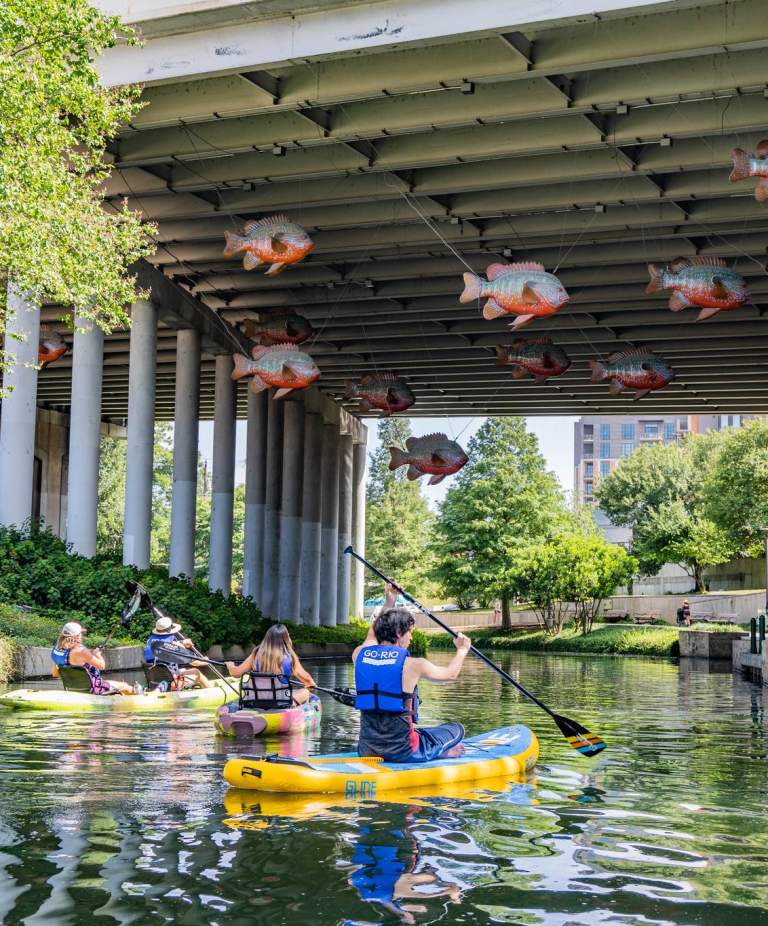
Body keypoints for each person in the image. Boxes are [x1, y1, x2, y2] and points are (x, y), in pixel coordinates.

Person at [352, 582, 471, 763]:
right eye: (410, 632)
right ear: (399, 633)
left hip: (366, 749)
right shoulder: (414, 665)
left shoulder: (359, 654)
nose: (411, 637)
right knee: (456, 729)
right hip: (404, 752)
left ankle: (433, 748)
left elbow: (372, 633)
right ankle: (439, 752)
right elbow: (450, 674)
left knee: (422, 732)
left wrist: (389, 601)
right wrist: (462, 650)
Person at [226, 623, 316, 705]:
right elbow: (306, 678)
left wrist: (230, 666)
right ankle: (291, 707)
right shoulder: (290, 656)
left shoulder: (256, 653)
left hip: (256, 700)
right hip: (280, 702)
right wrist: (311, 684)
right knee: (305, 692)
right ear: (286, 639)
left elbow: (235, 673)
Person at [51, 621, 137, 695]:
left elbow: (55, 674)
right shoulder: (81, 652)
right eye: (81, 633)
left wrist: (92, 654)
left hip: (71, 688)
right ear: (77, 636)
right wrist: (98, 654)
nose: (82, 635)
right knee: (124, 686)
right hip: (93, 689)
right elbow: (101, 666)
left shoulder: (57, 650)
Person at [144, 615, 212, 690]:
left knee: (183, 670)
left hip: (155, 682)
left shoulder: (150, 641)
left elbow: (167, 645)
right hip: (173, 682)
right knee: (196, 672)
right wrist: (206, 661)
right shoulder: (175, 645)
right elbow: (195, 662)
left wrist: (182, 642)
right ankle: (211, 691)